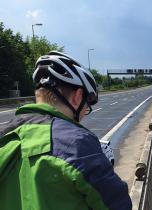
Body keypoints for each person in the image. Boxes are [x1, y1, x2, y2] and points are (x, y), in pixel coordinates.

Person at [0, 51, 132, 210]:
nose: (84, 113)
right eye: (86, 106)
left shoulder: (5, 136)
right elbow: (119, 204)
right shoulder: (78, 145)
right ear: (78, 96)